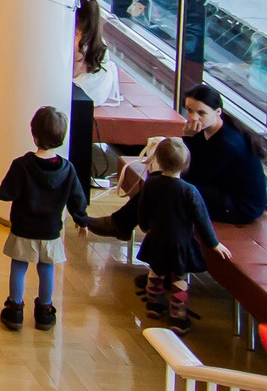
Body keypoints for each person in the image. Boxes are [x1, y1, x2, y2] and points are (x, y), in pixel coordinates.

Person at [0, 104, 91, 330]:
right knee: (47, 268)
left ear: (34, 136)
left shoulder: (22, 165)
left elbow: (5, 193)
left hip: (23, 229)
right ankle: (45, 310)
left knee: (19, 265)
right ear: (62, 137)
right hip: (51, 231)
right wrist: (81, 220)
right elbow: (77, 199)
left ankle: (15, 309)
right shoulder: (67, 169)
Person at [88, 136, 227, 327]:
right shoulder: (190, 191)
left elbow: (142, 210)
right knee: (179, 277)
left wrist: (145, 226)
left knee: (155, 271)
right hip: (181, 243)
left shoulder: (151, 185)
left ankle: (154, 304)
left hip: (156, 237)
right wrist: (214, 244)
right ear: (186, 164)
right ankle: (178, 315)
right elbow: (202, 220)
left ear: (158, 161)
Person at [177, 82, 267, 223]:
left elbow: (194, 177)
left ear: (218, 112)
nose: (193, 117)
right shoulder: (207, 128)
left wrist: (188, 138)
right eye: (189, 110)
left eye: (201, 113)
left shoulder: (226, 143)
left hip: (241, 207)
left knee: (176, 190)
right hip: (222, 188)